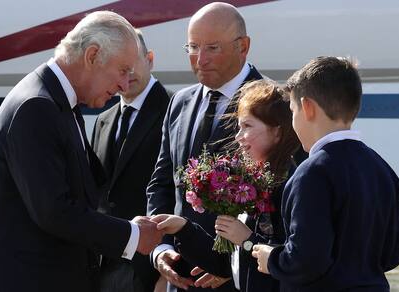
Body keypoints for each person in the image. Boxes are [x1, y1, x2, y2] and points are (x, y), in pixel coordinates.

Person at [0, 11, 162, 292]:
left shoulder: (59, 100)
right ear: (92, 55)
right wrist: (132, 235)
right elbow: (54, 212)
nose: (124, 85)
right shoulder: (36, 106)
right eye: (122, 70)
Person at [251, 56, 399, 291]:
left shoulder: (312, 173)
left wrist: (271, 259)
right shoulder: (381, 168)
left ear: (308, 108)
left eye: (292, 111)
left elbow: (307, 259)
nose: (293, 121)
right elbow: (392, 253)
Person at [146, 2, 262, 291]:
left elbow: (279, 200)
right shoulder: (180, 103)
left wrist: (233, 262)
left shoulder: (272, 104)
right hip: (181, 276)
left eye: (212, 48)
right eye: (193, 47)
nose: (200, 59)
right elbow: (162, 183)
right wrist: (160, 248)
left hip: (237, 281)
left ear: (243, 46)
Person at [152, 80, 300, 292]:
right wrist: (182, 228)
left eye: (247, 126)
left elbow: (290, 261)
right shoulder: (251, 182)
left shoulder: (288, 185)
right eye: (238, 127)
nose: (238, 137)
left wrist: (247, 240)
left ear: (277, 132)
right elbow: (224, 264)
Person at [91, 28, 171, 292]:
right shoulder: (103, 120)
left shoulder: (174, 109)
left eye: (134, 62)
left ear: (150, 59)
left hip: (149, 267)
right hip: (104, 261)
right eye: (121, 67)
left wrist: (166, 270)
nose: (129, 73)